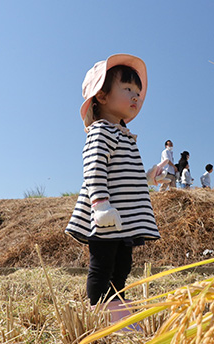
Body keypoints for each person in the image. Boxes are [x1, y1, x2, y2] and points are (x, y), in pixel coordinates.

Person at [65, 54, 160, 325]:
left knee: (122, 267)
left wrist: (148, 177)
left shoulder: (124, 136)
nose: (136, 97)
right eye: (128, 89)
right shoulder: (101, 132)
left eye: (138, 92)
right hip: (106, 217)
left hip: (125, 220)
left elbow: (122, 175)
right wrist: (100, 205)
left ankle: (115, 314)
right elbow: (94, 168)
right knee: (102, 267)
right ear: (102, 96)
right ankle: (97, 314)